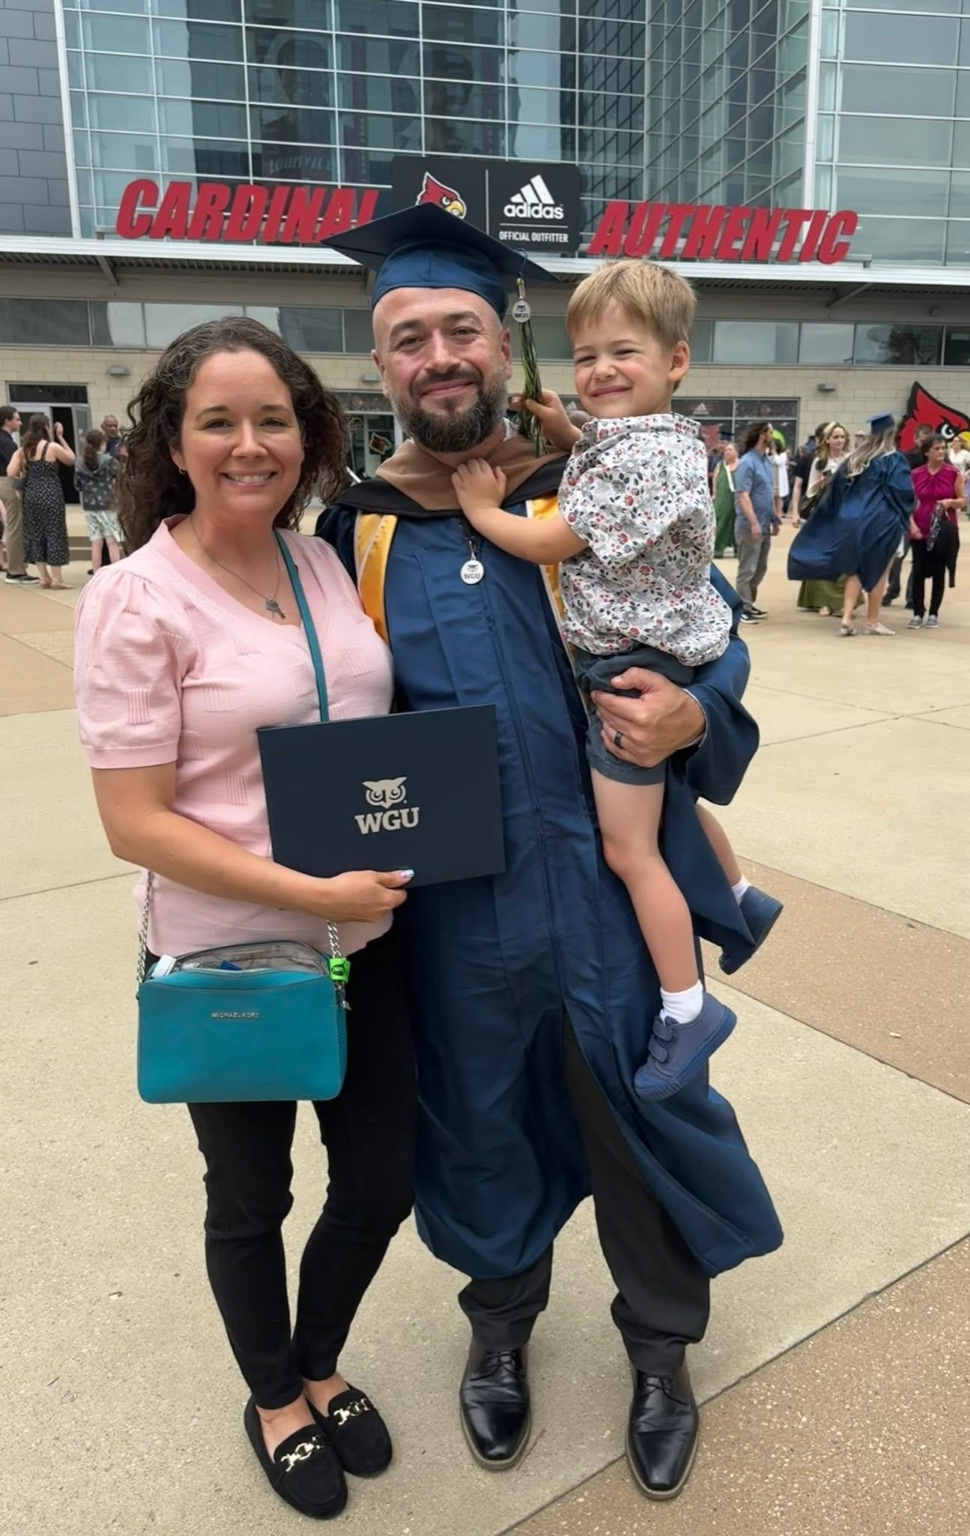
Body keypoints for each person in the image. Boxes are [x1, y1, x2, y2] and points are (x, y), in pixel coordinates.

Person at [318, 205, 781, 1503]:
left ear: (503, 340)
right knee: (478, 1129)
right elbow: (321, 723)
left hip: (599, 889)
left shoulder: (591, 492)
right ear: (385, 368)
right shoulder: (354, 532)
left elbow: (705, 634)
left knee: (645, 1114)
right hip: (456, 917)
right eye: (407, 337)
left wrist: (700, 712)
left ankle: (657, 1347)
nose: (436, 354)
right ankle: (502, 1320)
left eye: (459, 326)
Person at [73, 317, 416, 1521]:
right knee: (250, 1196)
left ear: (307, 432)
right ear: (174, 439)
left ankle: (320, 1356)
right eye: (217, 420)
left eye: (272, 417)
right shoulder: (133, 597)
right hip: (234, 950)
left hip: (363, 942)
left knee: (382, 1180)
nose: (248, 443)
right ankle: (276, 1395)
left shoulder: (321, 560)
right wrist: (307, 892)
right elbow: (134, 819)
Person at [450, 258, 782, 1097]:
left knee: (630, 849)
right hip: (661, 648)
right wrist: (565, 426)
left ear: (677, 359)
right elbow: (602, 453)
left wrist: (485, 511)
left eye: (623, 353)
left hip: (631, 668)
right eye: (586, 355)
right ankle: (741, 896)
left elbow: (558, 538)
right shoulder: (654, 439)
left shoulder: (644, 463)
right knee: (676, 803)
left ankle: (685, 1008)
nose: (600, 370)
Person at [788, 413, 915, 637]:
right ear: (891, 434)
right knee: (880, 571)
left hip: (854, 520)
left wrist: (839, 515)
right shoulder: (893, 459)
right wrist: (909, 513)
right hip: (882, 522)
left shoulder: (855, 459)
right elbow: (903, 492)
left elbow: (836, 490)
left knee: (855, 570)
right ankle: (872, 621)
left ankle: (846, 618)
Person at [6, 413, 73, 588]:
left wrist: (23, 472)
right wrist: (60, 437)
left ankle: (44, 577)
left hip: (31, 495)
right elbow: (70, 459)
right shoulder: (51, 447)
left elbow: (11, 472)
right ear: (46, 428)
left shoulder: (22, 450)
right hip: (51, 494)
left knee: (36, 534)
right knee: (55, 533)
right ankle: (57, 579)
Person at [908, 433, 965, 629]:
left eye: (943, 448)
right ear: (926, 452)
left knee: (939, 569)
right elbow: (909, 503)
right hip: (920, 527)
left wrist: (950, 502)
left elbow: (962, 500)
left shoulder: (953, 473)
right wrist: (912, 525)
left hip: (942, 528)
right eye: (937, 448)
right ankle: (917, 612)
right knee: (918, 570)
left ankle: (933, 612)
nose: (941, 452)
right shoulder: (915, 474)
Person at [794, 422, 849, 617]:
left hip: (845, 513)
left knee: (843, 556)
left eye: (842, 437)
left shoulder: (850, 460)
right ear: (828, 440)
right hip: (825, 513)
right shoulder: (820, 462)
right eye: (835, 437)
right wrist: (823, 482)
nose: (839, 441)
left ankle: (842, 601)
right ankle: (823, 601)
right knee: (823, 557)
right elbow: (810, 491)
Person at [733, 420, 778, 623]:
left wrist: (775, 517)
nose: (773, 436)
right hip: (749, 525)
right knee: (747, 568)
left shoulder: (765, 461)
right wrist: (753, 523)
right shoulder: (747, 462)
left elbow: (768, 492)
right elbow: (743, 495)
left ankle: (749, 603)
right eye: (770, 432)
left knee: (760, 568)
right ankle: (742, 607)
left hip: (764, 523)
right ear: (761, 435)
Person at [74, 428, 124, 573]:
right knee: (112, 541)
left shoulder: (80, 462)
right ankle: (115, 572)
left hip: (89, 505)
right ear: (102, 443)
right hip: (107, 503)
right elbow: (121, 477)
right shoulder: (108, 461)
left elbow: (77, 485)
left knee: (96, 542)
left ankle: (96, 573)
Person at [0, 404, 38, 583]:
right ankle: (15, 570)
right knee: (15, 526)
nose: (20, 422)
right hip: (7, 484)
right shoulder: (8, 443)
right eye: (16, 419)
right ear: (7, 421)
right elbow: (14, 469)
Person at [712, 441, 738, 557]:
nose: (727, 452)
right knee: (721, 520)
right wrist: (714, 494)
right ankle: (718, 548)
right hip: (723, 498)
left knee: (737, 522)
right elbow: (715, 480)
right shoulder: (720, 465)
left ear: (736, 452)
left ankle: (738, 548)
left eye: (730, 450)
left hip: (737, 498)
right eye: (726, 450)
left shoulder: (741, 465)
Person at [770, 431, 789, 524]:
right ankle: (774, 515)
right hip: (772, 476)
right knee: (772, 496)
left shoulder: (783, 454)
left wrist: (774, 454)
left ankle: (779, 513)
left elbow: (778, 462)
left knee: (779, 496)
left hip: (779, 477)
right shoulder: (769, 454)